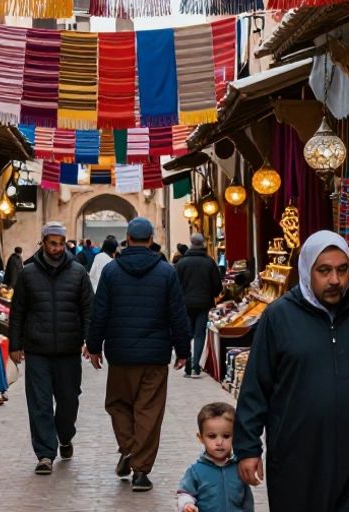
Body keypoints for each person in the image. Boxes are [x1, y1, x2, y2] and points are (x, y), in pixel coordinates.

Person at [235, 230, 349, 512]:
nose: (335, 280)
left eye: (342, 270)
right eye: (324, 271)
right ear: (306, 271)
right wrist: (247, 448)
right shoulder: (278, 317)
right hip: (296, 463)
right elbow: (256, 387)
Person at [86, 217, 191, 492]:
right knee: (149, 411)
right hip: (155, 356)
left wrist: (94, 346)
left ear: (128, 239)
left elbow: (100, 313)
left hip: (120, 354)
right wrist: (183, 350)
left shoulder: (111, 271)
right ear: (150, 240)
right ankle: (141, 471)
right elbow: (177, 315)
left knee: (118, 405)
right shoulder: (166, 272)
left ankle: (130, 450)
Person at [8, 222, 94, 476]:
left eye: (60, 243)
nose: (57, 248)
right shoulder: (28, 273)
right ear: (43, 243)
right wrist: (15, 344)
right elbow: (18, 312)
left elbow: (89, 310)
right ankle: (45, 453)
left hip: (68, 351)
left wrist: (90, 341)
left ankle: (65, 436)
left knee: (68, 401)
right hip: (37, 350)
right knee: (39, 403)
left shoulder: (78, 273)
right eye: (52, 243)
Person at [177, 402, 254, 512]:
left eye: (226, 436)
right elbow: (185, 493)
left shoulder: (239, 468)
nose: (219, 442)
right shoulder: (195, 471)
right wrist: (187, 505)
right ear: (201, 438)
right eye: (212, 436)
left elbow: (247, 502)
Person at [175, 233, 223, 379]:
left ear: (191, 243)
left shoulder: (182, 263)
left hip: (185, 304)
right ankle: (196, 366)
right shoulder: (209, 262)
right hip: (204, 304)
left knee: (187, 334)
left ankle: (187, 365)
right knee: (200, 334)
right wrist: (211, 293)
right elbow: (217, 286)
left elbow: (175, 285)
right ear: (203, 244)